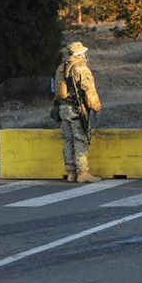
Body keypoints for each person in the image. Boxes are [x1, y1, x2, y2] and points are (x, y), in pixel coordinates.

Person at [53, 41, 102, 183]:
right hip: (76, 110)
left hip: (63, 109)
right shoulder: (81, 68)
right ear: (80, 54)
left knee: (68, 140)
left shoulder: (61, 68)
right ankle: (83, 173)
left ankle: (71, 173)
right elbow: (90, 92)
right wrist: (97, 108)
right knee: (81, 140)